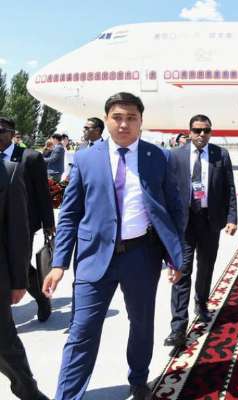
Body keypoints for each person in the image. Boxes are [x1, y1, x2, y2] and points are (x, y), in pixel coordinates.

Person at [42, 92, 185, 400]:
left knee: (141, 324)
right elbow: (69, 215)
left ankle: (138, 379)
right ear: (106, 120)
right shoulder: (85, 158)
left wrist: (175, 256)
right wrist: (59, 263)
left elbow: (174, 209)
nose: (124, 124)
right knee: (82, 331)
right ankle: (67, 395)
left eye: (131, 118)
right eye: (117, 117)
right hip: (94, 258)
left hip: (142, 256)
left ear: (141, 121)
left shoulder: (159, 157)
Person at [165, 114, 238, 349]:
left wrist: (232, 218)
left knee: (206, 267)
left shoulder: (220, 155)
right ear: (190, 132)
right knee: (182, 271)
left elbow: (229, 188)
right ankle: (178, 327)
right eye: (197, 130)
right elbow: (167, 189)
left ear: (211, 132)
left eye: (206, 130)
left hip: (210, 221)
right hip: (184, 223)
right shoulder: (175, 155)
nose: (202, 134)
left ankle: (202, 303)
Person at [0, 150, 50, 400]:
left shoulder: (10, 172)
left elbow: (18, 231)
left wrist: (19, 280)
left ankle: (29, 392)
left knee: (5, 344)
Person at [0, 117, 55, 323]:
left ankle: (41, 298)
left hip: (22, 224)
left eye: (1, 131)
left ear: (12, 133)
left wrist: (48, 223)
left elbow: (42, 192)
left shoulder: (30, 157)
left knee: (21, 265)